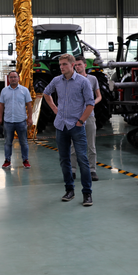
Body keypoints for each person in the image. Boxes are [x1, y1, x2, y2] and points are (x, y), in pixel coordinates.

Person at [43, 54, 95, 206]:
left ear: (72, 65)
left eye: (64, 64)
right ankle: (69, 190)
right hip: (61, 126)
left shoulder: (83, 82)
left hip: (76, 126)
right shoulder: (56, 80)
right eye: (60, 64)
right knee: (64, 160)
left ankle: (87, 193)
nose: (61, 67)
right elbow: (46, 93)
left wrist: (81, 121)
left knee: (82, 159)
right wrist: (54, 109)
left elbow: (90, 103)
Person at [70, 56, 101, 180]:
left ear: (85, 65)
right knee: (74, 145)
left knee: (91, 145)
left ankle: (92, 170)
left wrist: (91, 103)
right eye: (75, 65)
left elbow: (99, 96)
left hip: (89, 116)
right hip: (75, 117)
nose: (77, 67)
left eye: (79, 64)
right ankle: (72, 170)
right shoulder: (71, 79)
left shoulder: (92, 79)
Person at [0, 70, 33, 169]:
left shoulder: (24, 90)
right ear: (8, 79)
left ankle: (25, 160)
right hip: (8, 121)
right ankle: (7, 160)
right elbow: (1, 105)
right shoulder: (4, 91)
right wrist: (0, 118)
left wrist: (30, 118)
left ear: (18, 78)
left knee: (24, 142)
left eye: (15, 77)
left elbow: (29, 104)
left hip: (21, 121)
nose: (13, 79)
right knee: (8, 142)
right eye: (11, 77)